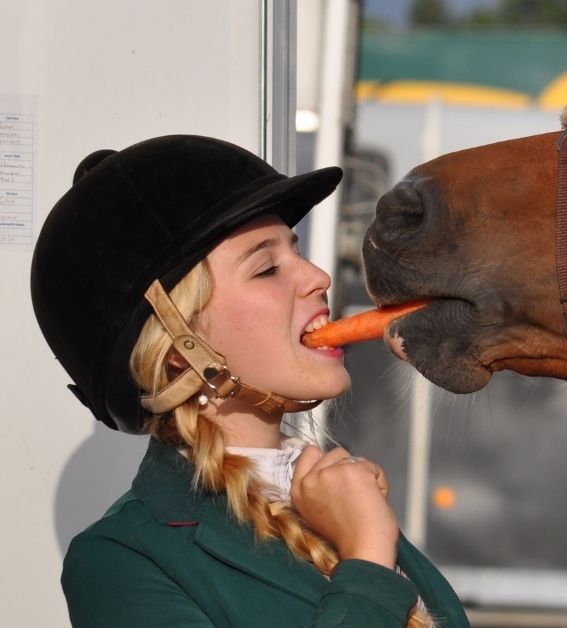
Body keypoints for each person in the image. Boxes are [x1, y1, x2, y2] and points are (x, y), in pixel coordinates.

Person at [30, 135, 469, 627]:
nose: (318, 276)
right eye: (266, 269)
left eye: (295, 249)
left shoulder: (333, 495)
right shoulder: (121, 561)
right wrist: (366, 557)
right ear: (179, 350)